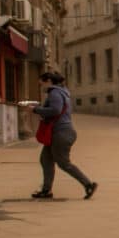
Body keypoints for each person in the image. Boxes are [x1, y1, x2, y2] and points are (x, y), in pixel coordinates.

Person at [21, 71, 97, 199]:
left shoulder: (55, 93)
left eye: (42, 83)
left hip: (61, 133)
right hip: (59, 133)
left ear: (49, 81)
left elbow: (55, 110)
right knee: (46, 159)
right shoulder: (62, 92)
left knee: (64, 163)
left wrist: (35, 109)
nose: (42, 87)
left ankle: (88, 184)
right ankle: (46, 190)